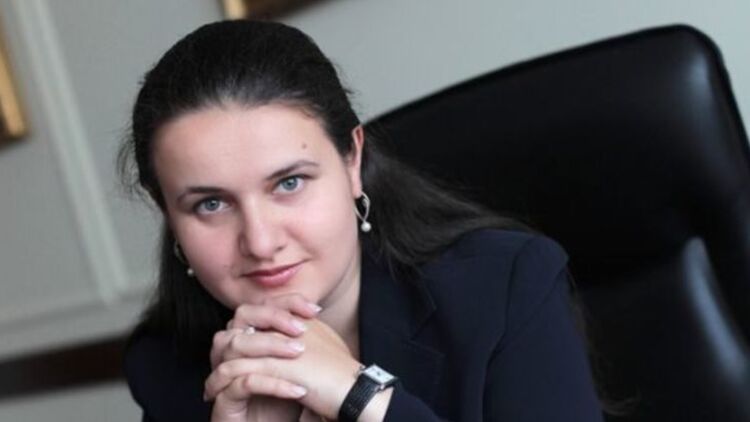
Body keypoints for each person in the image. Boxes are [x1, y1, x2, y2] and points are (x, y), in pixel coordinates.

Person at [120, 19, 603, 421]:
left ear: (352, 159)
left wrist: (362, 398)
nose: (261, 242)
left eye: (289, 183)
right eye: (211, 204)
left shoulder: (504, 287)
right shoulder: (165, 369)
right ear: (168, 212)